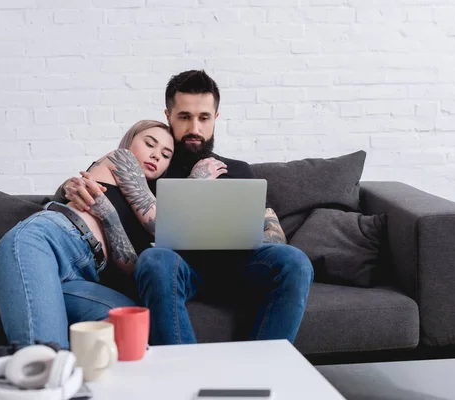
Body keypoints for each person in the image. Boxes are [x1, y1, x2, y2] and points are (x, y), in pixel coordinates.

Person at [59, 70, 314, 346]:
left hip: (239, 267)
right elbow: (91, 185)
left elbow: (275, 233)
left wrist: (247, 235)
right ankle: (183, 372)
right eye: (184, 117)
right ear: (168, 115)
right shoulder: (151, 169)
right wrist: (68, 187)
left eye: (203, 118)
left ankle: (265, 371)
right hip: (177, 270)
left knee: (295, 261)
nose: (194, 128)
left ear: (215, 118)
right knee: (155, 260)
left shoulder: (237, 170)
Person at [0, 120, 174, 348]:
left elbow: (128, 267)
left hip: (83, 275)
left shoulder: (141, 209)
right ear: (129, 141)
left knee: (133, 329)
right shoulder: (122, 158)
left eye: (166, 155)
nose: (156, 155)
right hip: (45, 243)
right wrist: (198, 182)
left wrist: (109, 216)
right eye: (149, 144)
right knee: (45, 357)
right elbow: (163, 224)